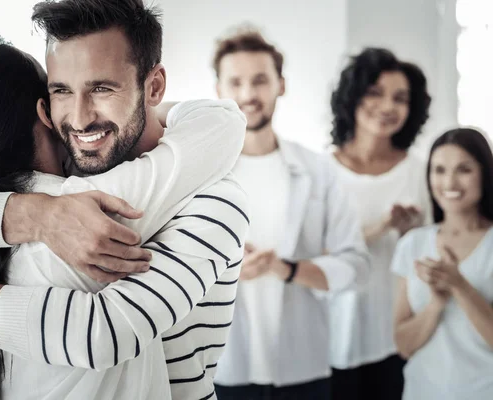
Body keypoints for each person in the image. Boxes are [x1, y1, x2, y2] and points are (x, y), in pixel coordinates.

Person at [0, 1, 249, 400]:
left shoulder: (215, 200)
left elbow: (105, 332)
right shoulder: (56, 176)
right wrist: (39, 216)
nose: (79, 120)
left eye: (101, 88)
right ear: (44, 109)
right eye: (61, 90)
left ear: (154, 87)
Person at [209, 27, 370, 400]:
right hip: (223, 368)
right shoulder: (201, 176)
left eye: (260, 80)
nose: (248, 95)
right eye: (236, 82)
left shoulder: (318, 170)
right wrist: (228, 270)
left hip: (304, 368)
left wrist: (288, 269)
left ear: (281, 85)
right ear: (218, 91)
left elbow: (357, 266)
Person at [327, 48, 432, 400]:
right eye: (375, 92)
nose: (388, 106)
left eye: (400, 98)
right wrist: (381, 227)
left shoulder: (421, 172)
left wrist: (410, 236)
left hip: (393, 337)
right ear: (353, 96)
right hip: (330, 334)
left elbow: (436, 254)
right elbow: (312, 255)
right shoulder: (321, 171)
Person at [392, 127, 493, 400]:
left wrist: (460, 286)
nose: (449, 182)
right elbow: (403, 345)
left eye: (464, 169)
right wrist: (436, 304)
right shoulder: (412, 244)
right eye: (438, 170)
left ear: (484, 173)